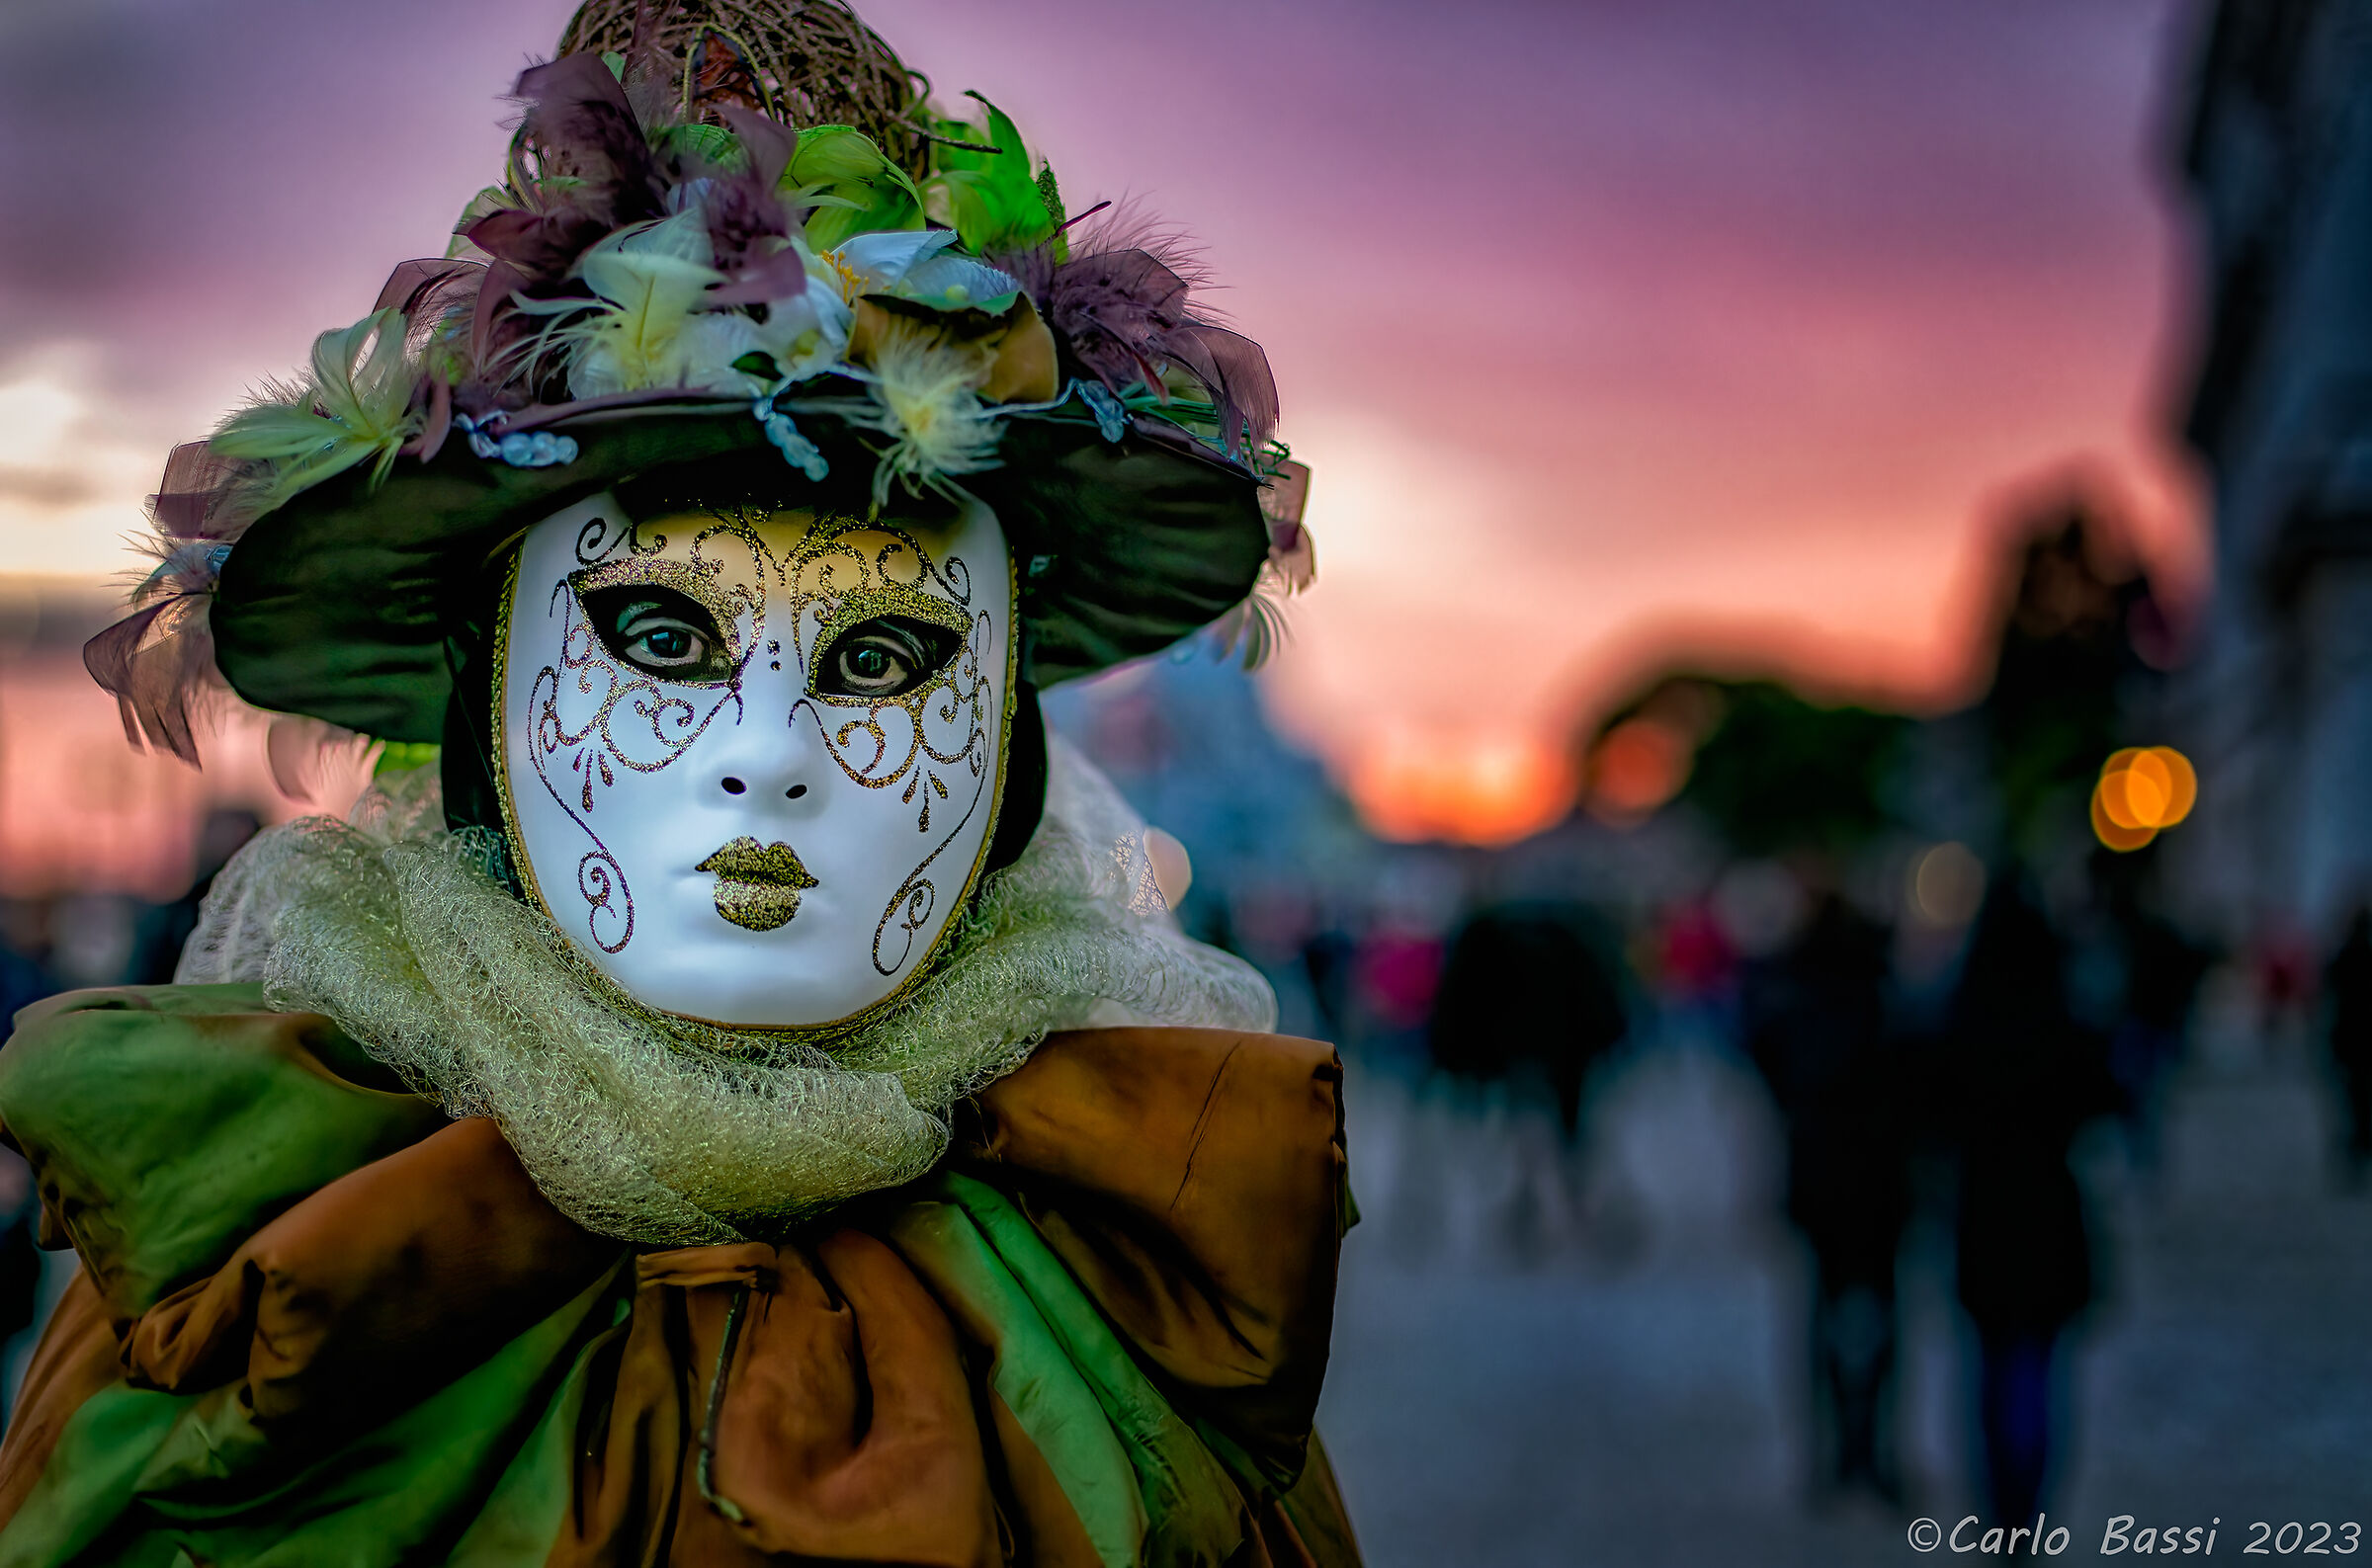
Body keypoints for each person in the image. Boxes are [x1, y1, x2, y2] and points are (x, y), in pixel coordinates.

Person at [0, 6, 1356, 1562]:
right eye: (657, 632)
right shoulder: (270, 1269)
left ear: (1012, 737)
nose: (766, 753)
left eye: (881, 659)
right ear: (483, 703)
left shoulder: (1147, 1269)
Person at [1943, 873, 2118, 1531]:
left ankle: (2001, 1503)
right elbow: (2101, 1098)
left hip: (1985, 1214)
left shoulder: (1963, 1017)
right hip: (2047, 1213)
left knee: (1992, 1366)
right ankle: (2028, 1500)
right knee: (2036, 1369)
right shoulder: (2064, 1016)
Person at [1740, 887, 1906, 1505]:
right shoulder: (1885, 999)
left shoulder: (1792, 998)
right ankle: (1873, 1445)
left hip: (1818, 1177)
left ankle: (1830, 1449)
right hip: (1881, 1182)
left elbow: (1764, 1062)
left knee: (1818, 1315)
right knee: (1884, 1316)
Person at [2325, 905, 2372, 1179]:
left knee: (2351, 1098)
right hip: (2359, 1040)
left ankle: (2356, 1145)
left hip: (2348, 1040)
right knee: (2360, 1098)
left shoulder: (2342, 958)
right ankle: (2360, 1143)